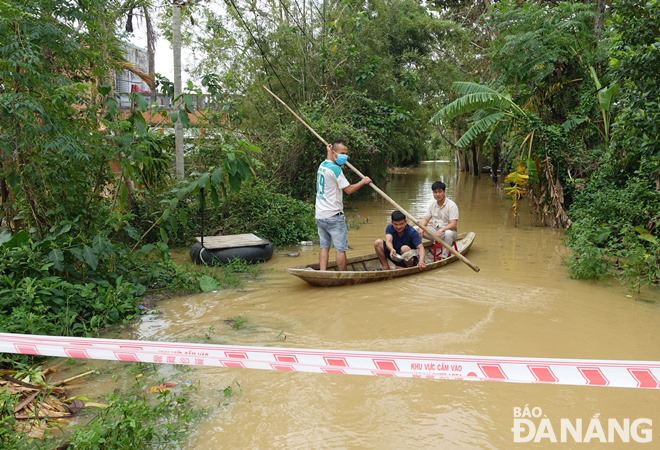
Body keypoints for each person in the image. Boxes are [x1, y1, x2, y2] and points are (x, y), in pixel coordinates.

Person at [315, 140, 371, 271]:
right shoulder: (336, 169)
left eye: (346, 153)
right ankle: (342, 275)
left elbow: (328, 159)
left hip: (320, 215)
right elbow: (349, 190)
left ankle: (322, 272)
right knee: (340, 249)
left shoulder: (322, 165)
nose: (344, 156)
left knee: (324, 246)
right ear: (334, 152)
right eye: (341, 153)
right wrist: (363, 182)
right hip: (334, 216)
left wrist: (328, 153)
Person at [416, 181, 459, 258]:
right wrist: (421, 228)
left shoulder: (452, 205)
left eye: (440, 191)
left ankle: (444, 255)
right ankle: (416, 251)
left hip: (449, 233)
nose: (437, 194)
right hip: (436, 232)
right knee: (416, 229)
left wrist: (442, 230)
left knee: (448, 233)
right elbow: (426, 220)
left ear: (444, 192)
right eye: (435, 192)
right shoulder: (432, 205)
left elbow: (453, 224)